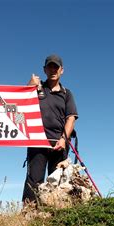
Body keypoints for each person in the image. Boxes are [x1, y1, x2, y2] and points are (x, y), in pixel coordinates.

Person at [22, 54, 78, 205]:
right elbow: (20, 104)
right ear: (44, 70)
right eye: (49, 67)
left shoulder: (67, 94)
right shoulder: (36, 88)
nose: (53, 70)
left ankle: (57, 216)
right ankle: (28, 214)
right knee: (33, 181)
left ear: (62, 70)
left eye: (56, 67)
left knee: (59, 182)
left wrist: (63, 140)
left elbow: (71, 118)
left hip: (59, 144)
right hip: (37, 142)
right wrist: (30, 85)